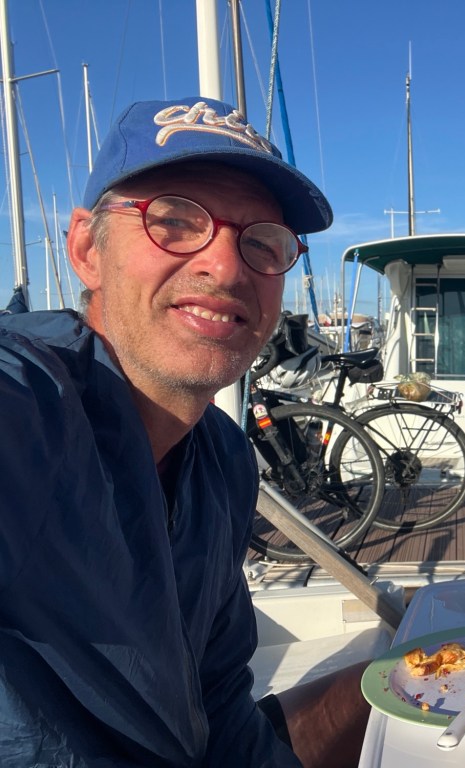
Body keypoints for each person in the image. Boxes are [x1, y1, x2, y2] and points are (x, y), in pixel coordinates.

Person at [0, 97, 370, 766]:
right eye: (173, 221)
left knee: (392, 679)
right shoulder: (32, 407)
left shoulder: (223, 460)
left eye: (262, 243)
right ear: (86, 249)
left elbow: (218, 696)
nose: (226, 268)